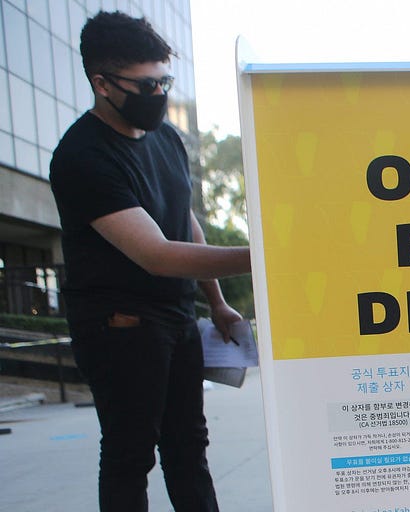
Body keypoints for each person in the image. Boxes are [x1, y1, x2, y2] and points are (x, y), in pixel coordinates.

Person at [48, 11, 250, 512]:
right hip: (120, 323)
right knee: (129, 454)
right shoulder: (82, 156)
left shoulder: (166, 137)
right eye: (146, 83)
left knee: (189, 448)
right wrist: (263, 258)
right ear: (102, 83)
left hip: (178, 317)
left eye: (165, 80)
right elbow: (156, 254)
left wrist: (217, 304)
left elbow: (183, 223)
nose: (159, 93)